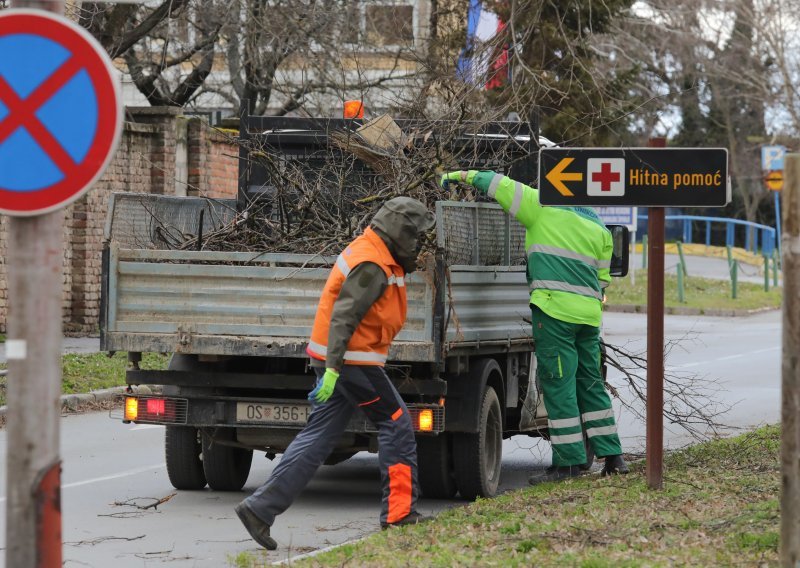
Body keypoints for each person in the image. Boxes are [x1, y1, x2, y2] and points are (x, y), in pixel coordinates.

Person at [235, 197, 436, 550]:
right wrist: (333, 370)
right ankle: (399, 514)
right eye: (417, 237)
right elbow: (344, 316)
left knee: (317, 438)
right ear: (400, 231)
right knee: (396, 422)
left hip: (345, 361)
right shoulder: (372, 263)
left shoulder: (377, 251)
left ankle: (259, 509)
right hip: (351, 363)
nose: (419, 244)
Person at [440, 170, 628, 483]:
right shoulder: (600, 228)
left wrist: (460, 175)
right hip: (589, 319)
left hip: (555, 314)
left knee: (559, 384)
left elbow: (499, 183)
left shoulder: (540, 206)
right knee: (590, 384)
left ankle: (568, 464)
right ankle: (614, 457)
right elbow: (603, 279)